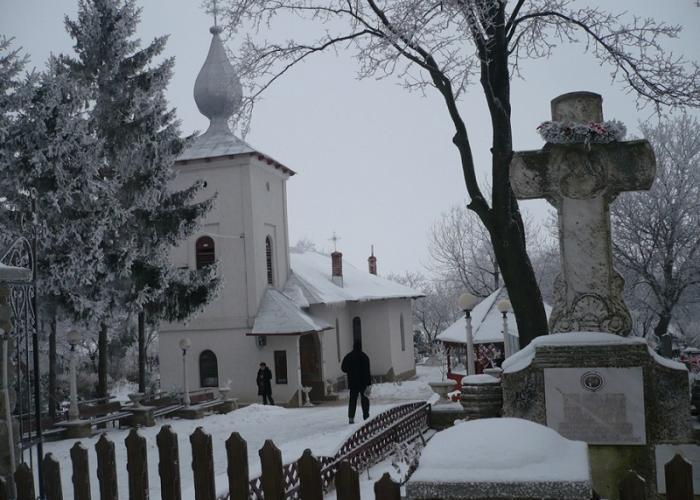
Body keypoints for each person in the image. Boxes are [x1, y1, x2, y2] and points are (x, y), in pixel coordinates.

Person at [341, 341, 371, 424]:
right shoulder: (364, 356)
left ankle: (351, 418)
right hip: (363, 382)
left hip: (353, 382)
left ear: (353, 346)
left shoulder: (349, 356)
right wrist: (369, 383)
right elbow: (368, 371)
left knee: (352, 400)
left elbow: (343, 368)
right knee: (364, 399)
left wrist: (350, 371)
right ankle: (366, 416)